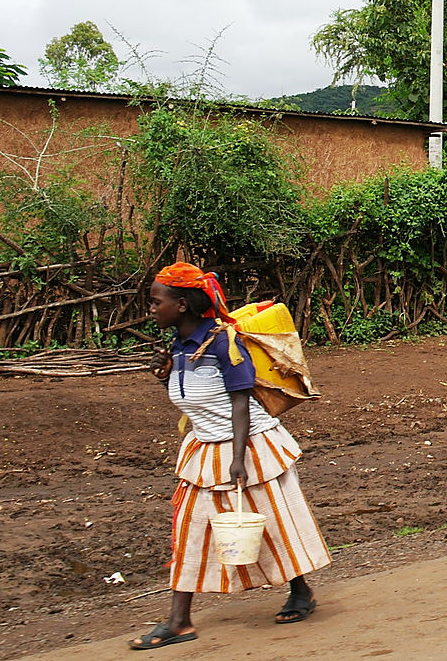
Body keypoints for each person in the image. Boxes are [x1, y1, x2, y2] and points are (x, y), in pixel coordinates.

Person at [129, 262, 330, 650]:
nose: (151, 309)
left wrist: (239, 460)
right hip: (206, 447)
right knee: (189, 531)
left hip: (250, 447)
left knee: (274, 525)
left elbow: (240, 403)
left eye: (156, 302)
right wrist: (164, 376)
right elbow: (198, 400)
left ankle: (301, 591)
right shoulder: (180, 344)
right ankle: (179, 620)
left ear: (182, 305)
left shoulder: (223, 343)